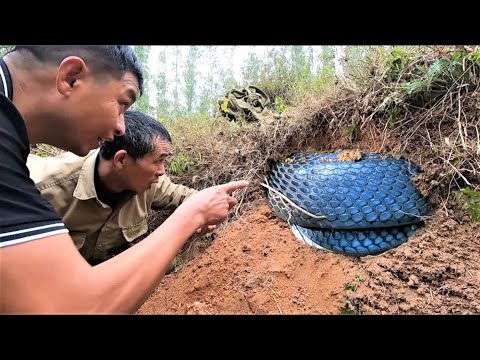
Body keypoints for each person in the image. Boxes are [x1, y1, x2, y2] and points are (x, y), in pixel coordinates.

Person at [0, 45, 249, 314]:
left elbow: (183, 195)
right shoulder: (39, 185)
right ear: (71, 77)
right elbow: (72, 307)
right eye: (122, 103)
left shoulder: (8, 136)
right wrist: (193, 215)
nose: (121, 126)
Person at [27, 109, 211, 273]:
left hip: (104, 273)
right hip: (55, 279)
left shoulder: (152, 183)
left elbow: (189, 198)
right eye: (158, 160)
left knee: (166, 264)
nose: (162, 171)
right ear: (121, 160)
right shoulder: (43, 189)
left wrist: (205, 212)